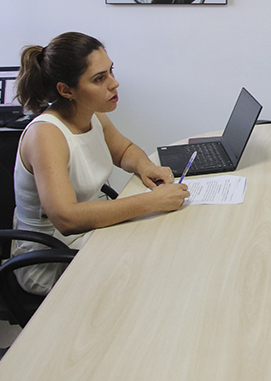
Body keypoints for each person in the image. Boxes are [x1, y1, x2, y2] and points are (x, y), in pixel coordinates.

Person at [13, 32, 190, 295]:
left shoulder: (91, 114)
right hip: (52, 256)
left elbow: (124, 151)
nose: (114, 83)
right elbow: (66, 218)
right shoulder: (45, 135)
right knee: (157, 263)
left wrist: (145, 167)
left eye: (111, 71)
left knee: (168, 241)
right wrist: (151, 202)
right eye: (99, 78)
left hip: (89, 233)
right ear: (66, 90)